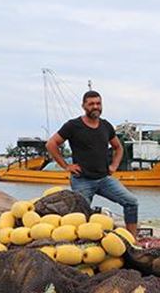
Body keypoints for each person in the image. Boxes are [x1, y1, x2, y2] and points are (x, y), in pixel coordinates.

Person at [46, 90, 139, 239]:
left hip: (104, 179)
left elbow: (118, 147)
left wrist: (114, 166)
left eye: (98, 103)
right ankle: (81, 243)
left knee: (131, 202)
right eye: (91, 104)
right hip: (82, 180)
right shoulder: (73, 126)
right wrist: (66, 166)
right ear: (84, 106)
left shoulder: (106, 126)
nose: (95, 106)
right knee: (80, 217)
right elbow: (51, 144)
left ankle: (132, 240)